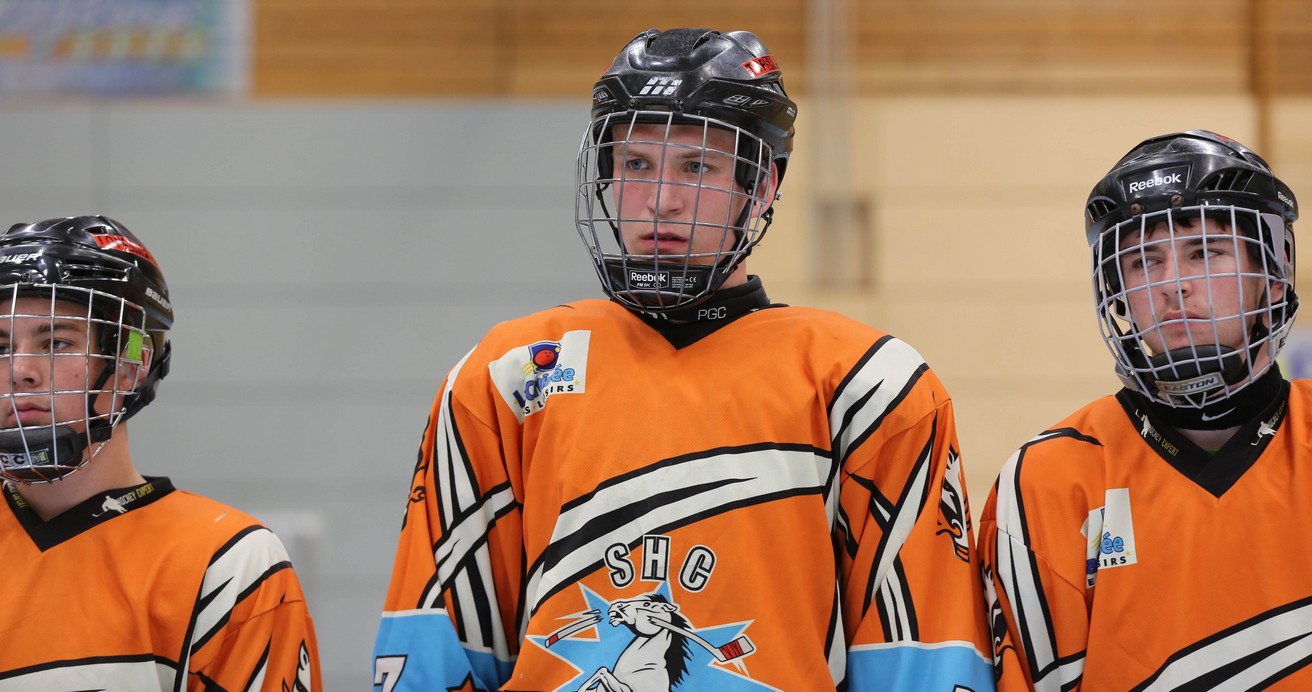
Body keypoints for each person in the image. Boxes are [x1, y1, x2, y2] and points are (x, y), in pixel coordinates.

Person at [373, 27, 994, 691]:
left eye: (698, 167)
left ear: (760, 187)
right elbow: (437, 643)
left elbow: (923, 657)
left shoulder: (870, 385)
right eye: (636, 163)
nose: (661, 198)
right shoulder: (512, 372)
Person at [979, 130, 1312, 690]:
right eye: (1143, 261)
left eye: (1205, 252)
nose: (1173, 284)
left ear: (1273, 279)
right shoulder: (1046, 482)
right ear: (1118, 292)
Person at [0, 216, 321, 690]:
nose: (20, 369)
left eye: (56, 343)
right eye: (0, 346)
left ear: (131, 365)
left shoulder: (229, 561)